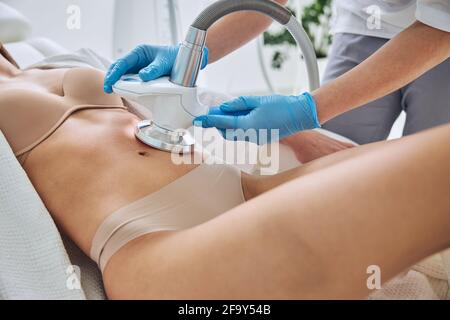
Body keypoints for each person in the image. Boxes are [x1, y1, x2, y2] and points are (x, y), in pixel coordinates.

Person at [1, 40, 450, 299]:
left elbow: (184, 100)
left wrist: (299, 122)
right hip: (153, 245)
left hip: (243, 187)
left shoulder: (48, 55)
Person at [104, 0, 450, 159]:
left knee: (431, 174)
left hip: (442, 32)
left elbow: (441, 27)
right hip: (366, 18)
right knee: (331, 160)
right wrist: (190, 54)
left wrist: (307, 110)